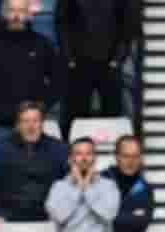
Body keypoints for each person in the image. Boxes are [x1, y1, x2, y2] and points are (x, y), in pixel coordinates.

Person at [0, 0, 64, 143]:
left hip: (34, 123)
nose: (16, 16)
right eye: (12, 11)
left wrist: (42, 106)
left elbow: (58, 80)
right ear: (4, 14)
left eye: (21, 11)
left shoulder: (42, 45)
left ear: (30, 15)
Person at [55, 0, 140, 137]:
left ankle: (115, 148)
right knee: (75, 113)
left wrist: (118, 59)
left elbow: (128, 24)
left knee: (113, 112)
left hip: (110, 63)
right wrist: (69, 58)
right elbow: (62, 22)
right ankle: (72, 150)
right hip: (79, 63)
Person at [0, 101, 66, 232]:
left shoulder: (59, 149)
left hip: (47, 213)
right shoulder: (0, 149)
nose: (31, 126)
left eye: (35, 121)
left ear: (42, 124)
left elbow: (66, 186)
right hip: (9, 214)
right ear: (18, 125)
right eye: (25, 121)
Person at [104, 134, 152, 232]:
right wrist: (131, 215)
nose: (131, 161)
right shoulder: (101, 181)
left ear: (141, 158)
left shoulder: (145, 188)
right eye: (126, 156)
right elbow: (99, 219)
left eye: (135, 156)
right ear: (116, 157)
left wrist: (114, 216)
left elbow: (142, 223)